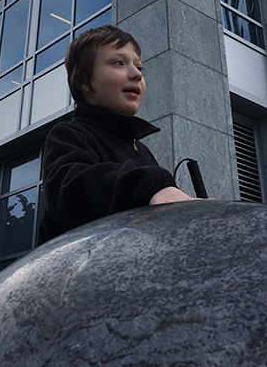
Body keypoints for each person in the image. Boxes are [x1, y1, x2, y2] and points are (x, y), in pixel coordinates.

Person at [37, 25, 202, 244]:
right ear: (83, 81)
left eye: (139, 67)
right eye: (118, 63)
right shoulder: (68, 135)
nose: (136, 74)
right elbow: (69, 193)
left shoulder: (141, 150)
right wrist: (150, 186)